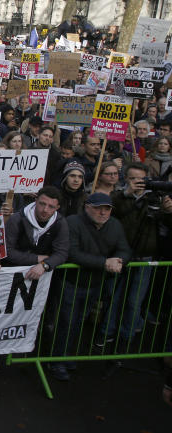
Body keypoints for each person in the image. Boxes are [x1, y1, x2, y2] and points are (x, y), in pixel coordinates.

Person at [51, 193, 131, 381]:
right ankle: (56, 361)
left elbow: (125, 249)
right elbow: (73, 253)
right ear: (87, 207)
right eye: (98, 208)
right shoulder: (73, 222)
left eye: (107, 208)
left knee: (78, 322)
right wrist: (105, 262)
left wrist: (119, 261)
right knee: (66, 323)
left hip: (95, 284)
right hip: (70, 282)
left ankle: (67, 356)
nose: (102, 212)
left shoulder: (115, 225)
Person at [103, 162, 172, 350]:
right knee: (113, 297)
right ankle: (107, 332)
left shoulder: (154, 198)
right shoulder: (118, 197)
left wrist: (167, 212)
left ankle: (128, 335)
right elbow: (112, 212)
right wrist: (129, 195)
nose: (138, 183)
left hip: (145, 257)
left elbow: (163, 225)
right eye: (133, 179)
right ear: (126, 179)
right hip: (120, 255)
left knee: (135, 301)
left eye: (141, 179)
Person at [3, 186, 69, 280]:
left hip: (42, 278)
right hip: (11, 273)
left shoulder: (60, 223)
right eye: (42, 204)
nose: (45, 210)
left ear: (57, 207)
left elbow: (62, 253)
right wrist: (36, 258)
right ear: (36, 200)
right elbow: (7, 251)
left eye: (51, 206)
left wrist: (45, 265)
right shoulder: (17, 219)